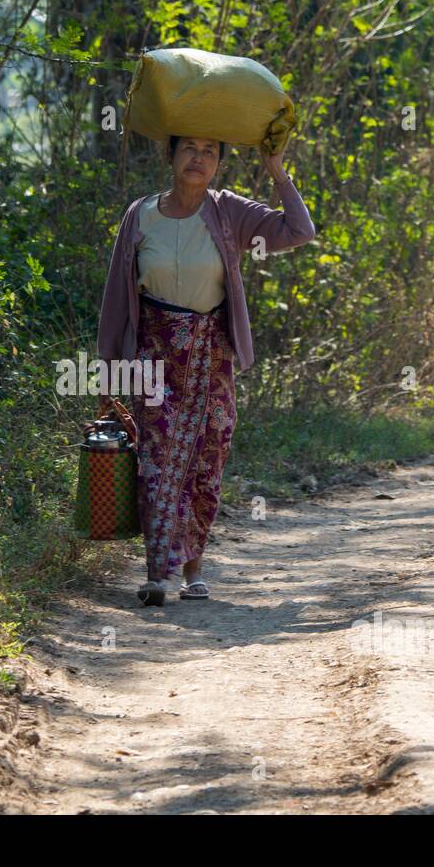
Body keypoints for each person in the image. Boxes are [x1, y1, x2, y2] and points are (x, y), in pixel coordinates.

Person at [96, 134, 315, 605]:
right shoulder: (140, 215)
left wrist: (277, 170)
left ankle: (194, 570)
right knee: (156, 462)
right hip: (153, 356)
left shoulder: (227, 211)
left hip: (212, 358)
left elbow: (299, 231)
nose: (199, 158)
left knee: (205, 461)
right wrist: (108, 372)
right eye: (188, 149)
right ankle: (159, 574)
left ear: (218, 163)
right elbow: (117, 297)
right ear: (169, 155)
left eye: (210, 152)